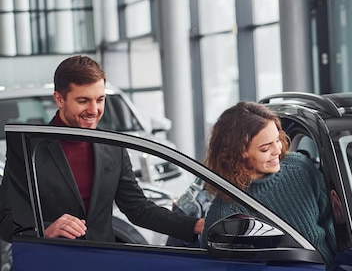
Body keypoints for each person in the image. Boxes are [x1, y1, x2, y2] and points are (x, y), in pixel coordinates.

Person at [0, 54, 203, 243]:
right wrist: (45, 230)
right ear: (59, 99)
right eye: (83, 101)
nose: (94, 110)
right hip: (48, 267)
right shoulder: (29, 148)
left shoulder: (113, 146)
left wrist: (194, 225)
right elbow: (6, 221)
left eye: (100, 100)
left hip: (101, 263)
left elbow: (138, 208)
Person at [202, 101, 335, 265]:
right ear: (238, 154)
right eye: (265, 148)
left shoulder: (300, 168)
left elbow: (334, 221)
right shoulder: (226, 211)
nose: (278, 150)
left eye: (278, 140)